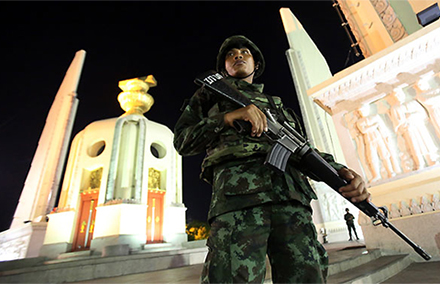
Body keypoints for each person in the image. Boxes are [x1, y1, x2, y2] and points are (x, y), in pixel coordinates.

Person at [173, 35, 371, 283]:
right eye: (230, 54)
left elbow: (302, 150)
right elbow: (183, 141)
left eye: (246, 52)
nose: (238, 55)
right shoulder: (210, 96)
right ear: (223, 67)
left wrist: (340, 171)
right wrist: (228, 117)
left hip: (291, 201)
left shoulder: (277, 106)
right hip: (239, 200)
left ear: (256, 64)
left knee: (308, 277)